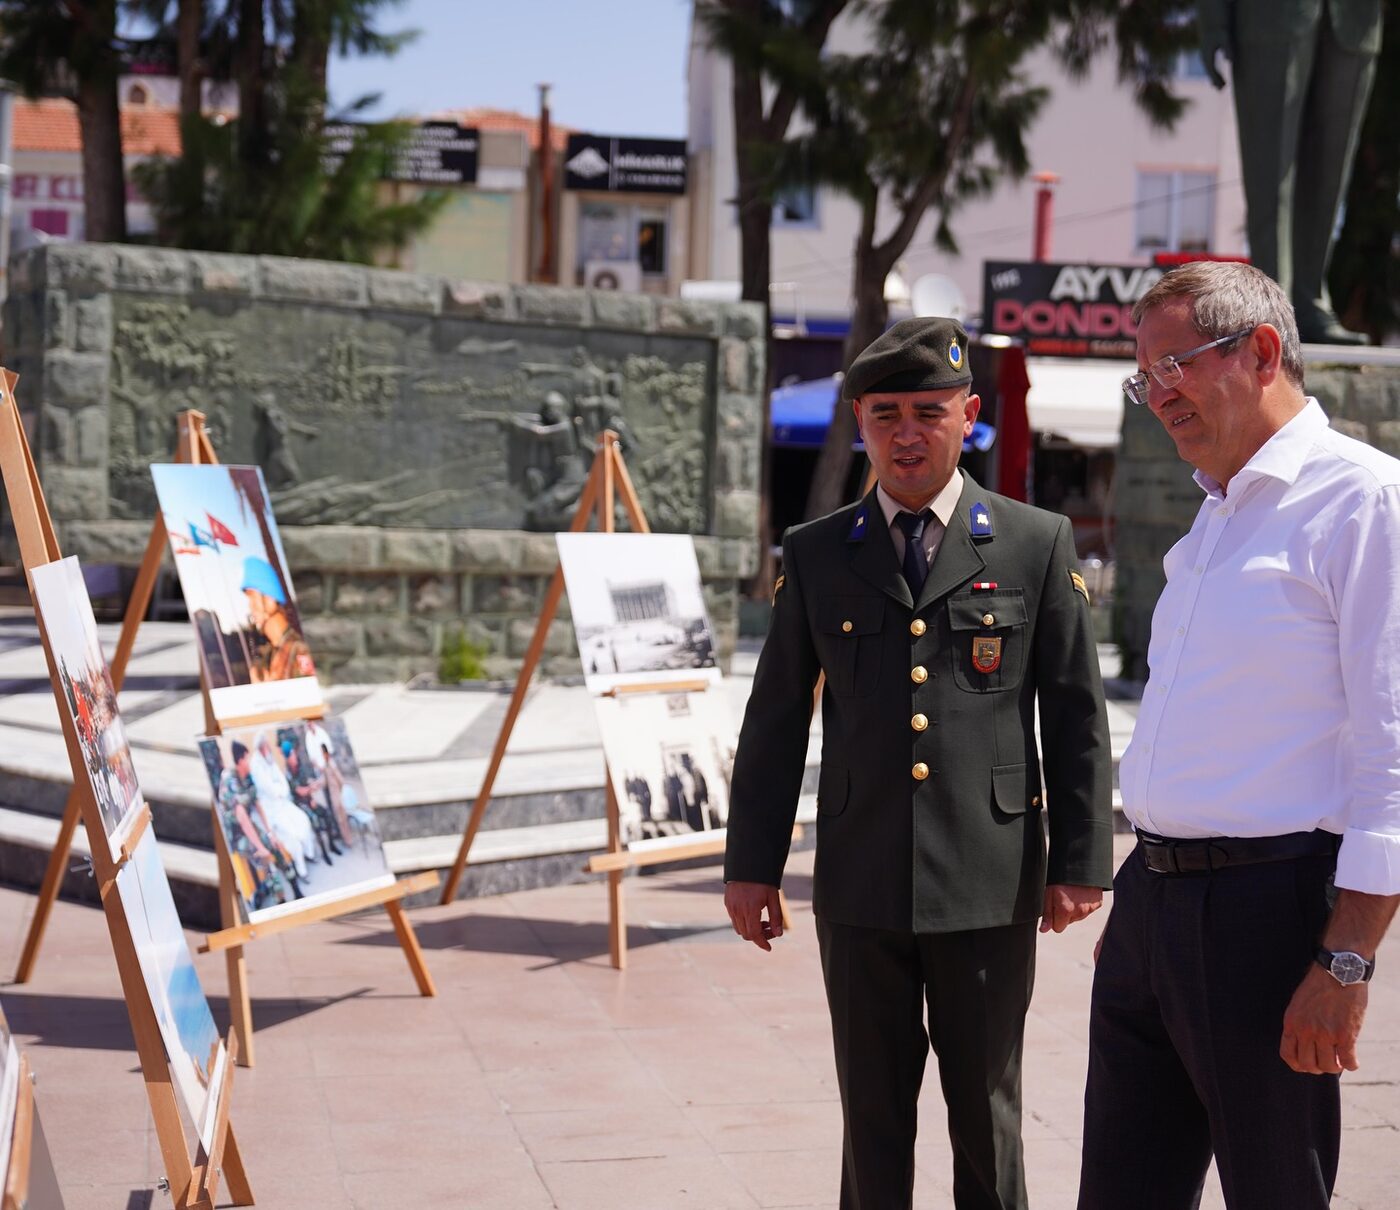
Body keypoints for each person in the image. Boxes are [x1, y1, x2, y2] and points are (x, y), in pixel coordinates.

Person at [724, 316, 1113, 1210]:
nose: (906, 432)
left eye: (929, 411)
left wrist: (1081, 863)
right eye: (885, 412)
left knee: (987, 1114)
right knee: (872, 1119)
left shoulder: (1034, 541)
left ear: (968, 414)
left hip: (989, 878)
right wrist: (752, 867)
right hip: (860, 884)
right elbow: (776, 719)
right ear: (859, 419)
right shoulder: (819, 554)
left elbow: (1076, 715)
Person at [1078, 261, 1400, 1209]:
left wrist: (1347, 958)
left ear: (1262, 352)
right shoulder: (1218, 507)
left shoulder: (1364, 502)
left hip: (1270, 911)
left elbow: (1395, 748)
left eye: (1173, 364)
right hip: (1158, 903)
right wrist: (1146, 901)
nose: (1157, 395)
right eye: (1144, 376)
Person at [1197, 0, 1382, 344]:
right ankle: (1270, 307)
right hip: (1270, 18)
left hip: (1358, 20)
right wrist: (1213, 21)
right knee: (1270, 178)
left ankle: (1311, 303)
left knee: (1331, 178)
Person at [240, 556, 315, 683]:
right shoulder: (269, 652)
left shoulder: (298, 649)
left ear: (270, 599)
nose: (250, 606)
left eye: (253, 597)